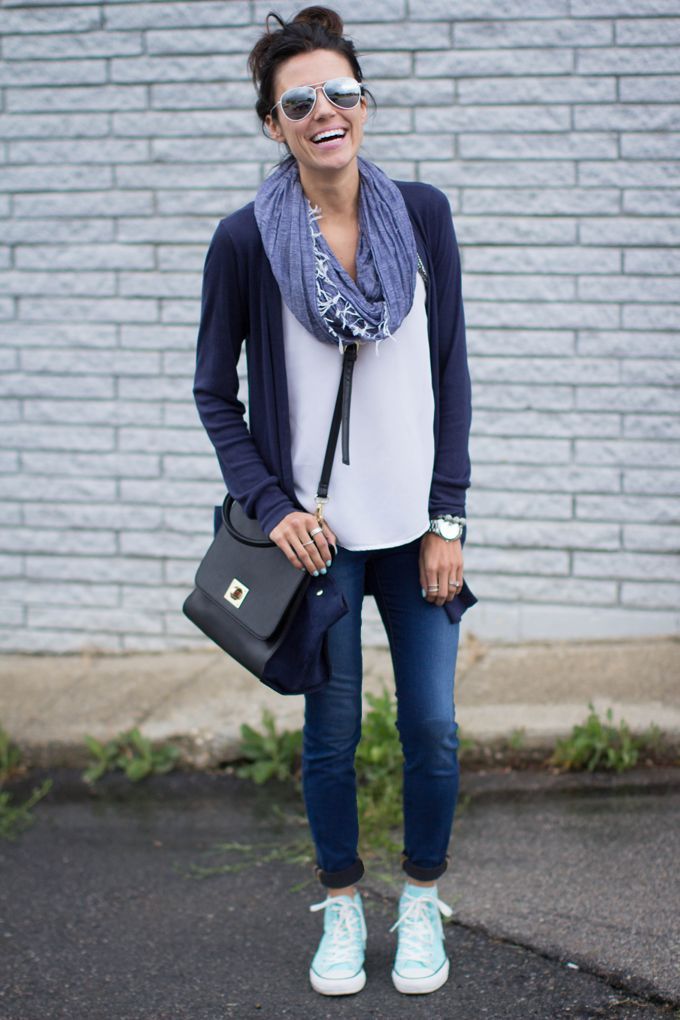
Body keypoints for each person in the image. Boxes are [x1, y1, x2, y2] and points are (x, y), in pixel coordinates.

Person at [192, 5, 477, 998]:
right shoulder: (244, 242)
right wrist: (272, 507)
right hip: (316, 544)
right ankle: (343, 904)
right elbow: (213, 394)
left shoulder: (423, 216)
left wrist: (448, 519)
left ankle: (421, 900)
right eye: (299, 101)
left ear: (364, 103)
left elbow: (450, 372)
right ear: (274, 124)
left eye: (340, 92)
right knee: (331, 735)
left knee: (432, 729)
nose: (325, 111)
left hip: (416, 533)